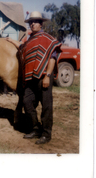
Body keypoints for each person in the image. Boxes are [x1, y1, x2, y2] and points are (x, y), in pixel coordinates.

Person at [6, 11, 62, 144]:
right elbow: (22, 47)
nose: (32, 24)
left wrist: (48, 76)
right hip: (31, 78)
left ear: (41, 24)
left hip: (43, 76)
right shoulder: (29, 40)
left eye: (35, 22)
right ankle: (36, 128)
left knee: (46, 106)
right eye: (31, 22)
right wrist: (11, 40)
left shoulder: (48, 39)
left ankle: (46, 134)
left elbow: (52, 58)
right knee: (27, 102)